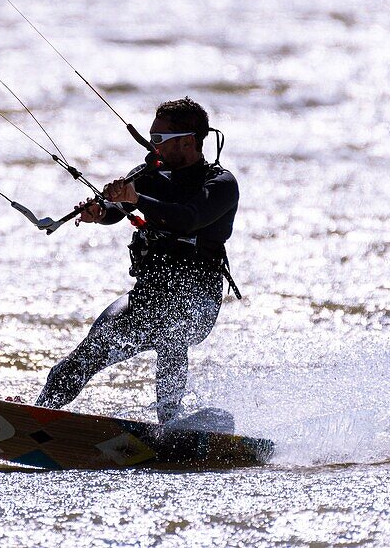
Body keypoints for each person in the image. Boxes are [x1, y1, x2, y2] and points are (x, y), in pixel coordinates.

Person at [35, 97, 239, 423]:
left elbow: (188, 218)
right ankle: (35, 417)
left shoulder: (220, 184)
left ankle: (171, 426)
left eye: (159, 139)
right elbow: (116, 210)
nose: (151, 145)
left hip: (197, 299)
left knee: (172, 336)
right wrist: (99, 212)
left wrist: (136, 197)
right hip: (147, 295)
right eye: (151, 137)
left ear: (188, 141)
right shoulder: (147, 175)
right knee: (83, 356)